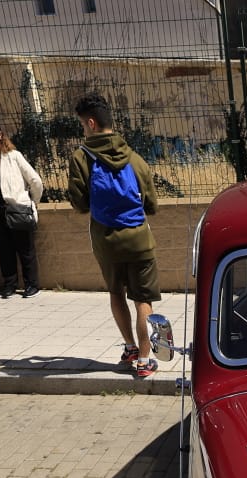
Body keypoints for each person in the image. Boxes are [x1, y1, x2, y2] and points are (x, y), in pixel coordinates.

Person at [67, 94, 161, 377]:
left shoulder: (81, 157)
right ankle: (145, 361)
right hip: (139, 241)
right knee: (143, 300)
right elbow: (152, 205)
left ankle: (130, 346)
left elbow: (80, 204)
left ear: (92, 123)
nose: (84, 130)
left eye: (83, 125)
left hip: (106, 242)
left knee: (116, 293)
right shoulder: (135, 159)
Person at [0, 118, 44, 299]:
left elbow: (35, 181)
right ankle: (10, 285)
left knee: (25, 250)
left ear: (0, 134)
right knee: (4, 252)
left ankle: (32, 285)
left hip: (16, 211)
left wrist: (31, 202)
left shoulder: (14, 156)